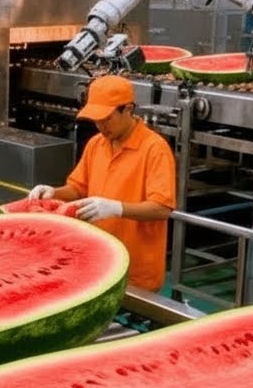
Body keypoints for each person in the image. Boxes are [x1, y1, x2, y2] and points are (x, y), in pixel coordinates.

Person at [28, 75, 176, 292]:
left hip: (135, 271)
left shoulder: (155, 149)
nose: (100, 126)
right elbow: (78, 188)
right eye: (96, 120)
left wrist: (116, 208)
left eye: (106, 119)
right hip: (97, 262)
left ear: (127, 109)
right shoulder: (96, 144)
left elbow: (162, 208)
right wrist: (53, 193)